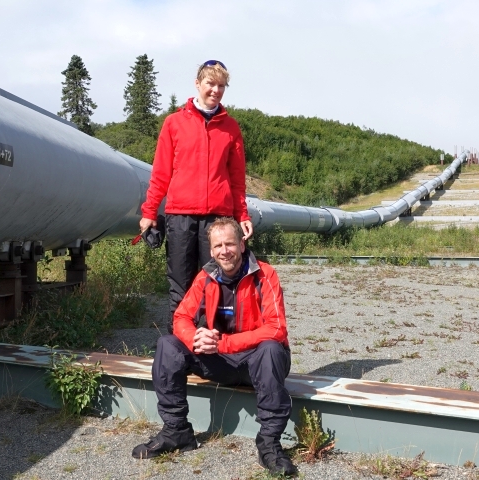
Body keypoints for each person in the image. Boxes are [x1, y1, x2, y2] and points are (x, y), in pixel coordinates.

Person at [131, 218, 296, 477]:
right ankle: (177, 431)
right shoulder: (206, 276)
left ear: (242, 244)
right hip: (221, 361)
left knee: (272, 348)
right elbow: (180, 318)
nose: (224, 250)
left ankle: (269, 443)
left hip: (257, 362)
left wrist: (224, 343)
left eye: (230, 243)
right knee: (168, 344)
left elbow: (277, 328)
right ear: (211, 251)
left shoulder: (265, 274)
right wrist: (195, 337)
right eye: (218, 245)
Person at [139, 60, 254, 332]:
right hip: (180, 217)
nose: (215, 90)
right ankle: (180, 348)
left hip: (218, 218)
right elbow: (161, 173)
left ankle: (215, 349)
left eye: (221, 86)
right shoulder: (174, 123)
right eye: (210, 84)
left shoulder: (231, 128)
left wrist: (243, 215)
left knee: (216, 283)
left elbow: (237, 180)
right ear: (198, 83)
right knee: (180, 285)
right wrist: (149, 212)